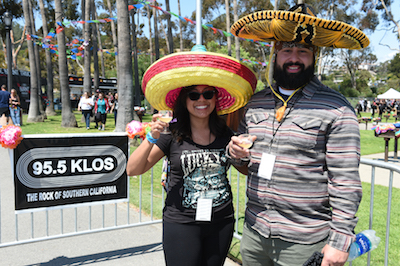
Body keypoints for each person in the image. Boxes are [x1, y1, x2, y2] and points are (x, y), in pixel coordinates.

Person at [229, 4, 366, 265]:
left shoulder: (336, 108)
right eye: (287, 50)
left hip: (304, 241)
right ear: (275, 54)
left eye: (303, 51)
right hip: (254, 233)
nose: (294, 58)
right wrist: (234, 153)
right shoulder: (256, 102)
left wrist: (340, 242)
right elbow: (242, 160)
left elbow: (345, 181)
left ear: (314, 56)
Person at [127, 46, 257, 266]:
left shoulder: (226, 133)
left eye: (208, 94)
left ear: (216, 98)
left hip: (221, 221)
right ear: (184, 100)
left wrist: (241, 156)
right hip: (182, 223)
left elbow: (244, 169)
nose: (201, 100)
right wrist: (151, 137)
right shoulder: (171, 134)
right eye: (194, 95)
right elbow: (133, 170)